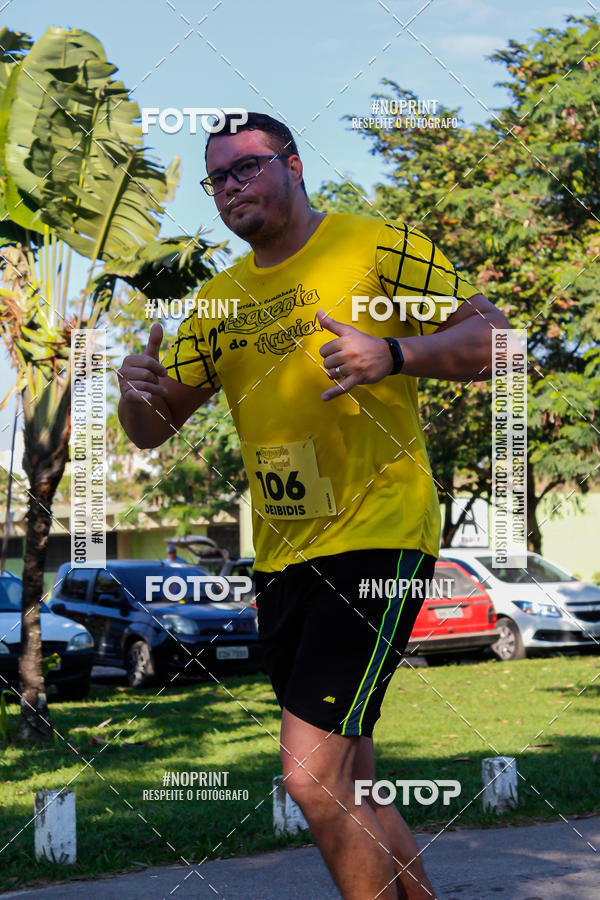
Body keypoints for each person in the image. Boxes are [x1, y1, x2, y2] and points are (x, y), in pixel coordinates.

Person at [117, 112, 509, 900]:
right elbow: (155, 429)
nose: (232, 188)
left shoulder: (375, 245)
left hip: (378, 533)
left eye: (247, 168)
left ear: (294, 165)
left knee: (310, 777)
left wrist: (393, 353)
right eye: (217, 178)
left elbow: (498, 343)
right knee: (349, 781)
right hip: (284, 555)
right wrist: (135, 393)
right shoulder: (219, 302)